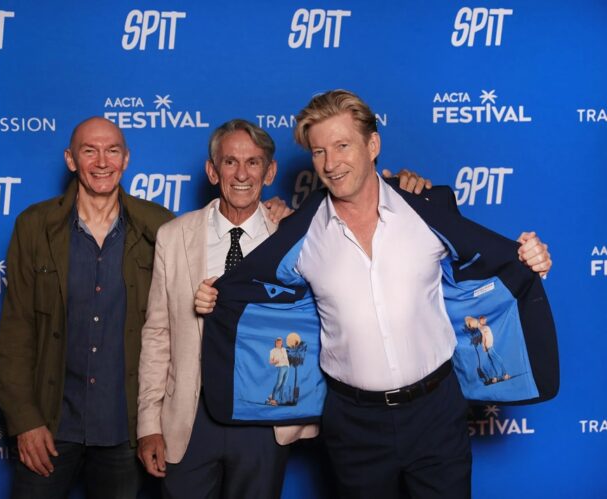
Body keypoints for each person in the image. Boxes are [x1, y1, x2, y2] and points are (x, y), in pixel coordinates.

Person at [195, 90, 553, 499]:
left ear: (373, 145)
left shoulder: (426, 210)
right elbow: (250, 292)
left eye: (342, 146)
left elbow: (492, 261)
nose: (331, 163)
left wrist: (532, 259)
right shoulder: (300, 232)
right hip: (353, 423)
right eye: (318, 152)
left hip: (436, 412)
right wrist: (213, 299)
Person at [137, 118, 431, 499]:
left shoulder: (297, 234)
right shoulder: (174, 236)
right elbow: (157, 335)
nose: (241, 174)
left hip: (265, 419)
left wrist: (404, 184)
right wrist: (148, 424)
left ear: (270, 171)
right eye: (230, 162)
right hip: (190, 420)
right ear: (212, 171)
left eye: (253, 162)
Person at [0, 116, 174, 499]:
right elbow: (15, 331)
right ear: (71, 159)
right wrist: (25, 421)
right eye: (89, 151)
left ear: (126, 159)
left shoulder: (160, 227)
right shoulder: (34, 226)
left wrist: (275, 214)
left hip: (123, 428)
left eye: (112, 151)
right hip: (49, 423)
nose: (102, 162)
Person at [268, 337, 290, 405]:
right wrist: (275, 361)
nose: (279, 343)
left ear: (281, 343)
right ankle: (273, 399)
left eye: (280, 342)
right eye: (277, 342)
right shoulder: (272, 351)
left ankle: (275, 397)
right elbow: (270, 362)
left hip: (287, 367)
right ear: (275, 343)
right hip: (281, 367)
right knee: (279, 383)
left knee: (284, 384)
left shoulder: (284, 349)